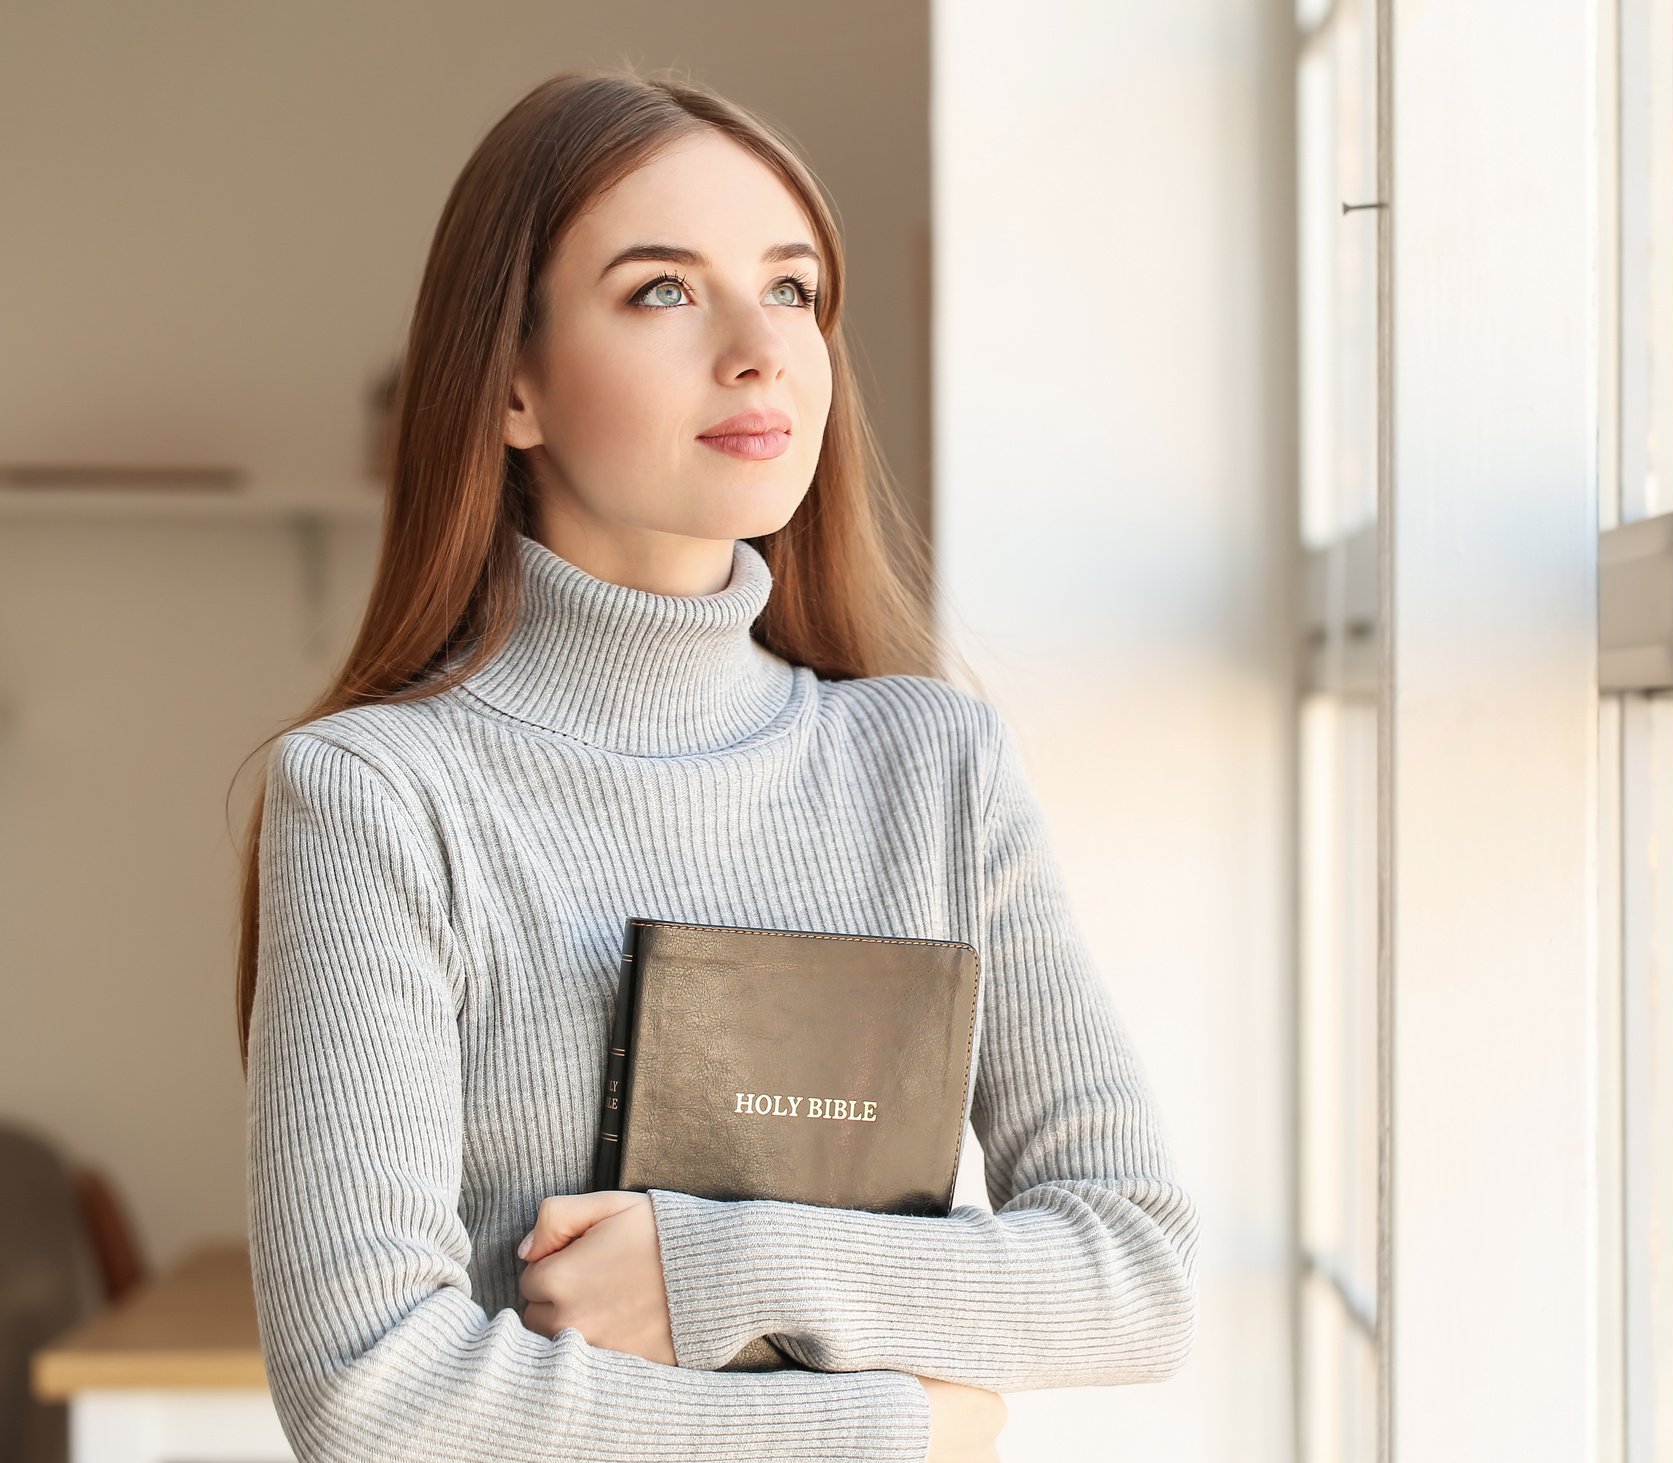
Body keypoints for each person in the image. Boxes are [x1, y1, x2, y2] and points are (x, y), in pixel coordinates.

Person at [233, 66, 1197, 1463]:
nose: (760, 349)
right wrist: (895, 1434)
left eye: (793, 289)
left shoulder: (935, 766)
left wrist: (712, 1270)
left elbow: (1135, 1274)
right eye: (664, 291)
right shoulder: (376, 797)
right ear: (511, 385)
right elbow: (373, 1394)